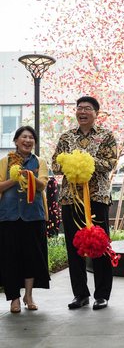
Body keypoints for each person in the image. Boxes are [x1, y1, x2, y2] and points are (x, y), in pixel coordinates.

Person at [52, 96, 117, 310]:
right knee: (74, 247)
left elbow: (110, 163)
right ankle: (80, 294)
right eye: (79, 108)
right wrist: (68, 163)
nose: (82, 111)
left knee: (99, 245)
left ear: (96, 113)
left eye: (87, 108)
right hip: (70, 199)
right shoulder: (66, 137)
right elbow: (55, 164)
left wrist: (86, 162)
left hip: (97, 197)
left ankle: (102, 294)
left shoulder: (106, 136)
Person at [0, 126, 50, 313]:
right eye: (24, 137)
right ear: (16, 141)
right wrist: (14, 178)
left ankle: (28, 295)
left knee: (31, 257)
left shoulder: (40, 162)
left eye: (31, 138)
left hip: (33, 216)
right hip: (8, 216)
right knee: (10, 258)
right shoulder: (4, 162)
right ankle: (14, 298)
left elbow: (42, 185)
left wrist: (28, 175)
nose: (28, 140)